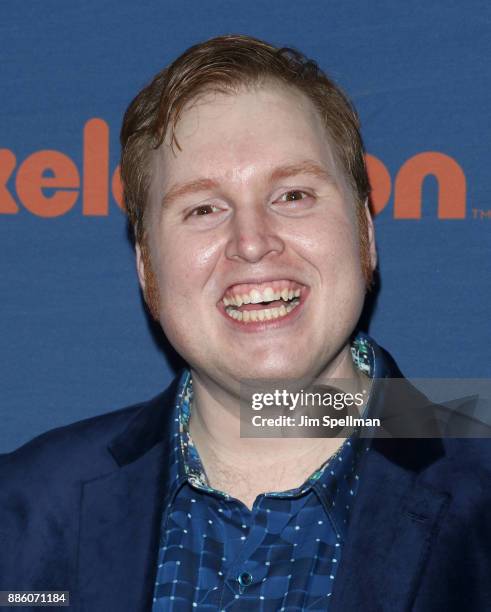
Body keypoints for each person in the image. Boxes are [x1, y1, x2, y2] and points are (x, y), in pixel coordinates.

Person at [0, 35, 489, 612]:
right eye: (204, 208)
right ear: (146, 266)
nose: (253, 242)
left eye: (293, 194)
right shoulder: (22, 509)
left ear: (365, 234)